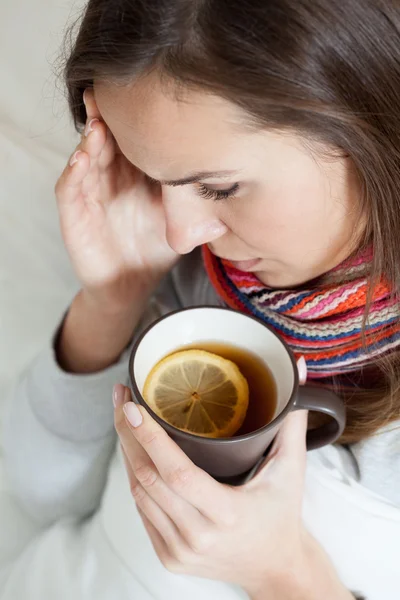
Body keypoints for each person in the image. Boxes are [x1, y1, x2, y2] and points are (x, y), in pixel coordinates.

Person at [2, 0, 400, 598]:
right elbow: (35, 491)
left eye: (218, 187)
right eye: (148, 175)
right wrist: (113, 299)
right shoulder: (193, 277)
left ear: (373, 129)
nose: (179, 233)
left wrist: (279, 572)